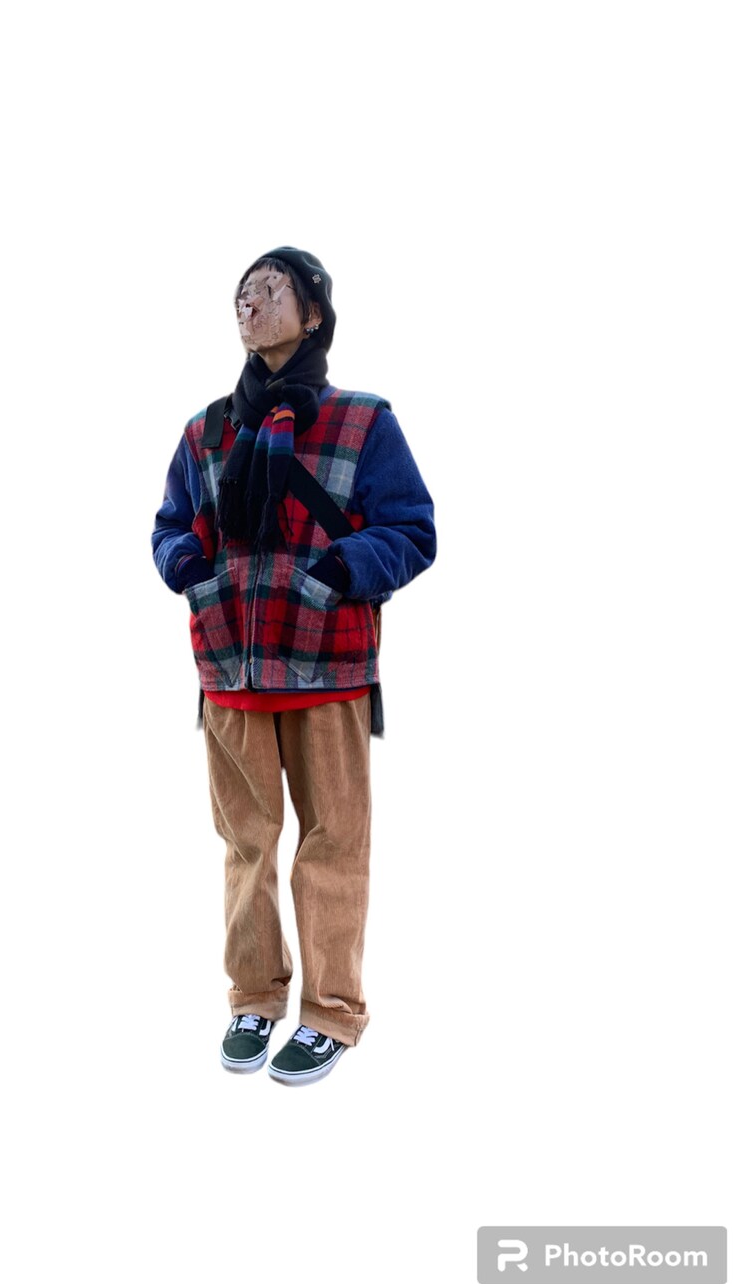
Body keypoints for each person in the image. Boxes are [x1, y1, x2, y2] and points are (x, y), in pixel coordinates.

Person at [152, 247, 435, 1085]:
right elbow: (171, 525)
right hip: (229, 672)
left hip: (328, 669)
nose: (251, 302)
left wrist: (341, 571)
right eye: (243, 293)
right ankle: (254, 997)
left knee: (334, 846)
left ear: (313, 314)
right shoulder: (205, 430)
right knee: (245, 846)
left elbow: (412, 529)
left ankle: (331, 1013)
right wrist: (187, 568)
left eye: (271, 289)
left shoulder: (364, 421)